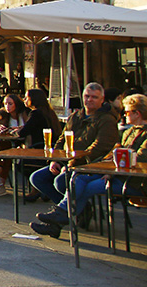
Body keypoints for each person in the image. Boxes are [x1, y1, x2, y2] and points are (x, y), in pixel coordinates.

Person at [30, 93, 147, 238]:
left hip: (134, 181)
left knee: (85, 186)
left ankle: (60, 218)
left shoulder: (139, 132)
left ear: (138, 113)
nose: (124, 115)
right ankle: (60, 218)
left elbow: (137, 158)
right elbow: (116, 151)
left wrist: (112, 170)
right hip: (113, 172)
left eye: (128, 112)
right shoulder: (129, 131)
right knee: (77, 178)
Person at [28, 82, 120, 207]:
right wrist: (55, 160)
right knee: (37, 178)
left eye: (94, 97)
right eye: (87, 96)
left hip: (89, 165)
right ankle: (76, 209)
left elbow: (99, 148)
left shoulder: (107, 119)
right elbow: (61, 140)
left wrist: (72, 164)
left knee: (61, 181)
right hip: (66, 160)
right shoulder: (75, 116)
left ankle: (70, 210)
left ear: (102, 99)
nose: (90, 100)